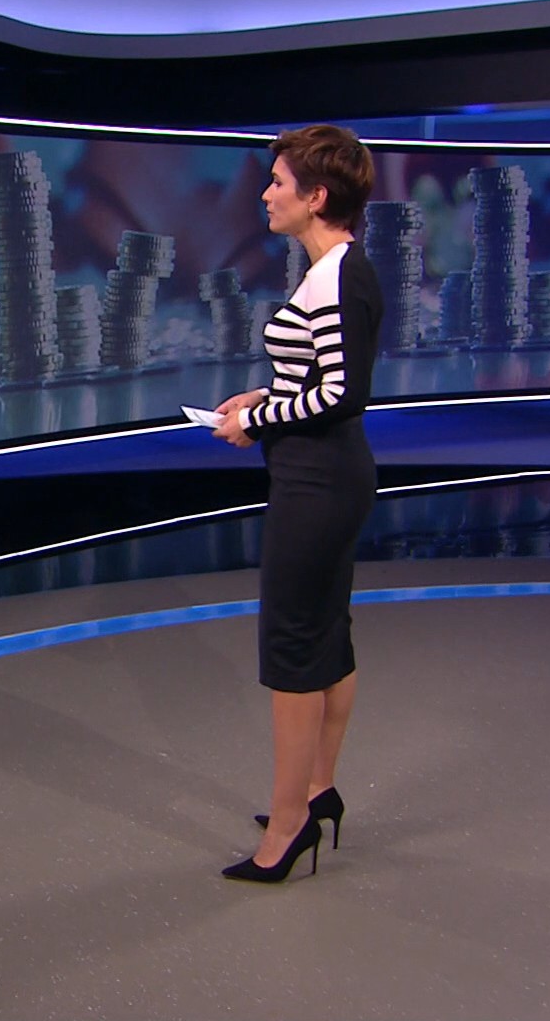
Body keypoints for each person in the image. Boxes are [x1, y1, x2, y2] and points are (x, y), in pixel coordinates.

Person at [210, 124, 382, 883]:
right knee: (326, 641)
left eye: (278, 182)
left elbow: (341, 394)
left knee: (293, 651)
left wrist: (258, 422)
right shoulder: (332, 271)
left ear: (316, 196)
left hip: (318, 484)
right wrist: (265, 396)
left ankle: (288, 829)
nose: (265, 193)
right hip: (322, 476)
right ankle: (317, 792)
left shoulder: (338, 275)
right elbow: (316, 379)